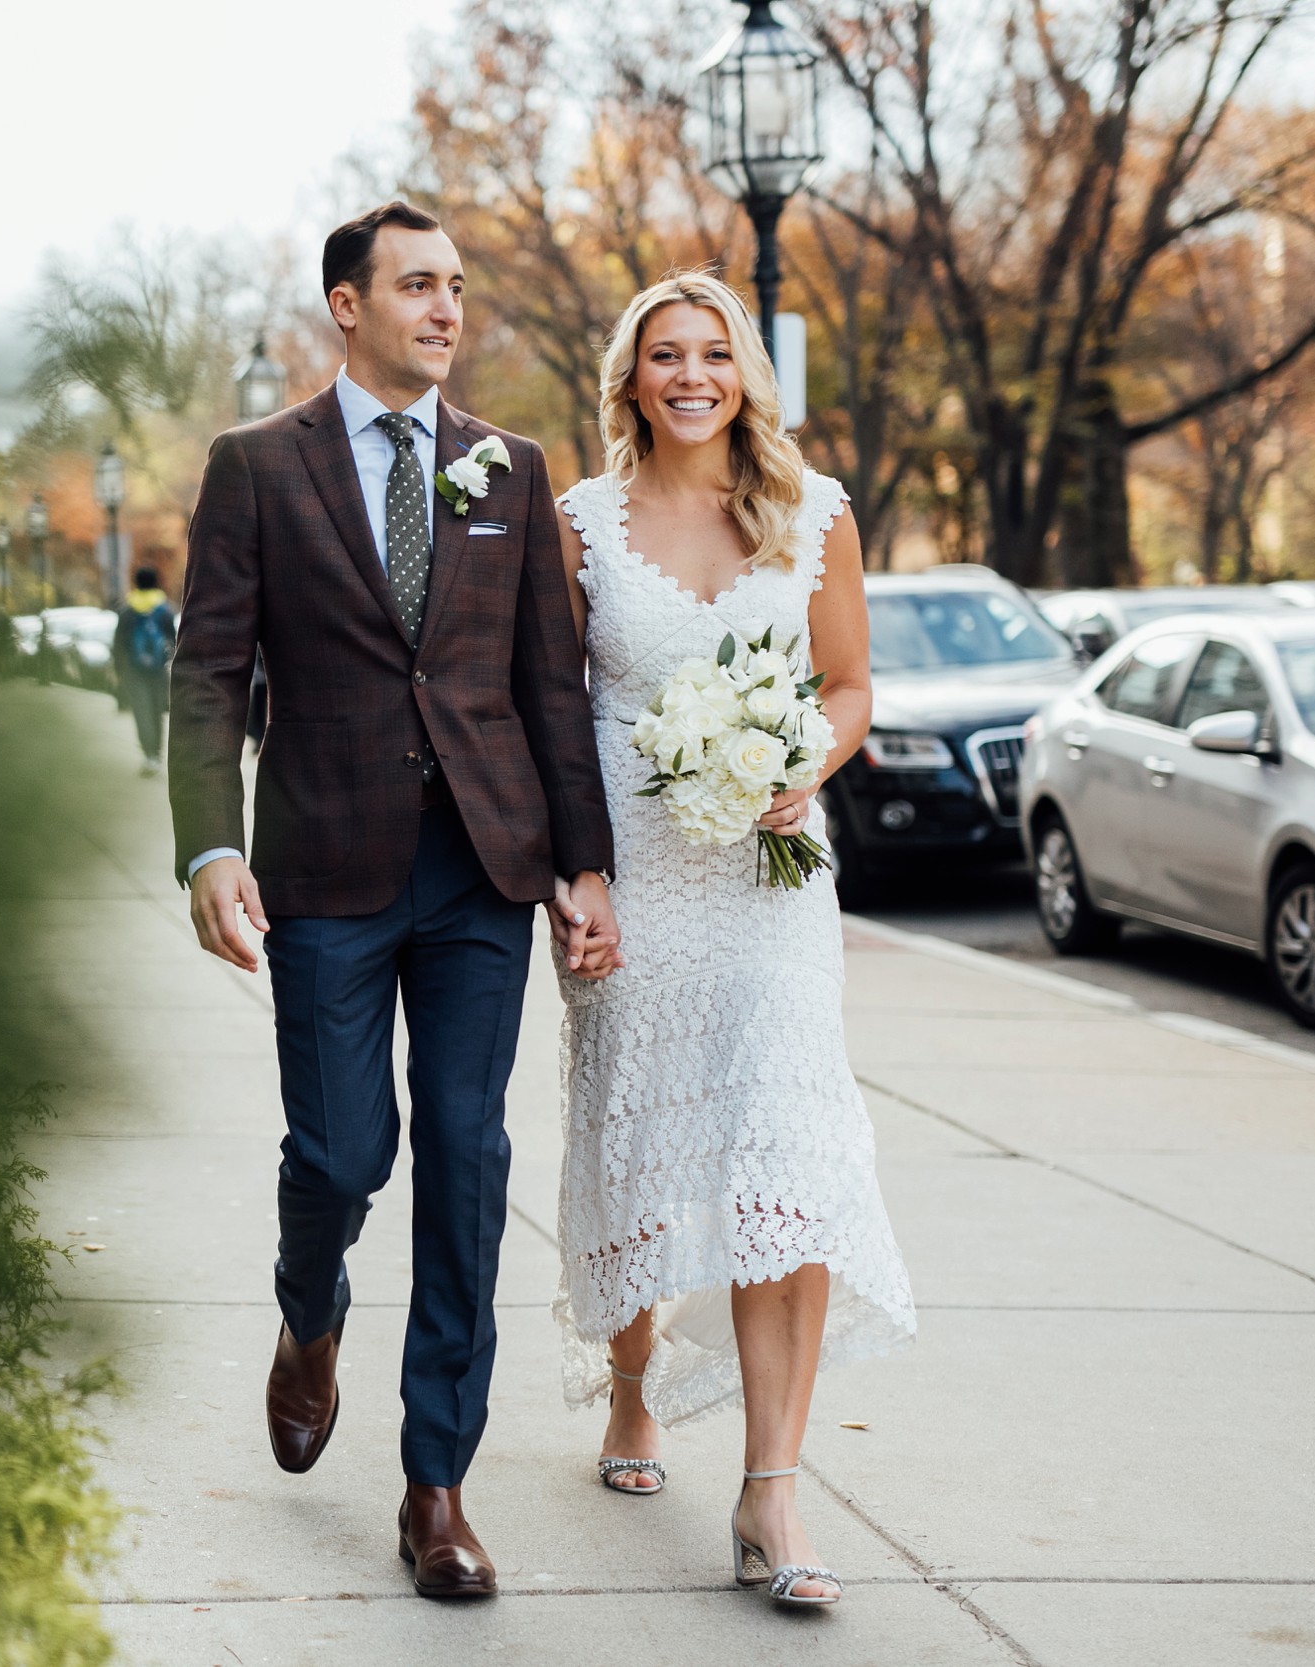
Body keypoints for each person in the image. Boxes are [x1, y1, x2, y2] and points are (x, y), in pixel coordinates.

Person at [167, 201, 620, 1600]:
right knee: (345, 1151)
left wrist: (582, 861)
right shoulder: (257, 466)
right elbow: (205, 677)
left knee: (469, 1156)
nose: (446, 307)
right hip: (325, 865)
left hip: (484, 862)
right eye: (418, 285)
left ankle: (438, 1481)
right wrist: (209, 846)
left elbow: (548, 683)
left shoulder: (510, 466)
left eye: (459, 288)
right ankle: (312, 1315)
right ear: (346, 306)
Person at [549, 271, 915, 1609]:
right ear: (632, 378)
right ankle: (634, 1391)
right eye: (665, 355)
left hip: (772, 874)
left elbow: (850, 680)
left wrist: (800, 756)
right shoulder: (580, 521)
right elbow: (552, 704)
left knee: (786, 1152)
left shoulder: (812, 513)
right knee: (642, 1142)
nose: (690, 374)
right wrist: (570, 873)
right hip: (632, 874)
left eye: (713, 352)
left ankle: (771, 1488)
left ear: (744, 372)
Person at [111, 567, 177, 772]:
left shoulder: (127, 610)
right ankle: (157, 753)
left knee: (141, 712)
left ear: (136, 583)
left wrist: (119, 671)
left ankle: (148, 754)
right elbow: (173, 640)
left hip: (134, 670)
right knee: (157, 711)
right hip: (158, 670)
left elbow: (118, 644)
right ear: (156, 582)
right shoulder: (165, 609)